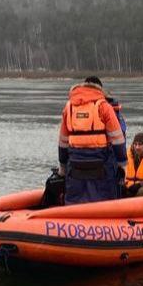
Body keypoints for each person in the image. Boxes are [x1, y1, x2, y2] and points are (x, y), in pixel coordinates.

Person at [58, 76, 127, 204]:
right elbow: (118, 139)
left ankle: (72, 216)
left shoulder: (69, 107)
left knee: (75, 196)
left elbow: (62, 141)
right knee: (104, 197)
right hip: (100, 162)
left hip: (75, 162)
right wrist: (122, 164)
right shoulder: (104, 106)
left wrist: (62, 165)